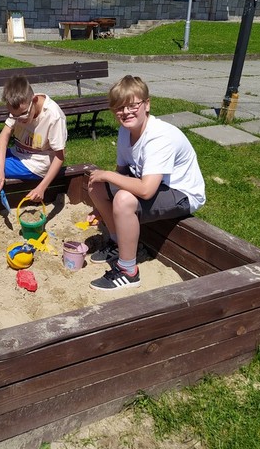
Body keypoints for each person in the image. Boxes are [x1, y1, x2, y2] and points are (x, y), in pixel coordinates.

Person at [87, 75, 205, 291]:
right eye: (119, 108)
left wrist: (108, 176)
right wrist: (100, 205)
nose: (126, 112)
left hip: (181, 193)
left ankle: (128, 271)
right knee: (96, 183)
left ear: (147, 104)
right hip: (155, 185)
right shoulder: (125, 131)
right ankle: (117, 242)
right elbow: (122, 172)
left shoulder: (159, 137)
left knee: (123, 199)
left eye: (133, 105)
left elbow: (146, 190)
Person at [0, 75, 67, 203]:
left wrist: (41, 187)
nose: (19, 119)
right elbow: (4, 136)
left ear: (34, 100)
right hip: (18, 153)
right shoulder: (19, 108)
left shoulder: (53, 116)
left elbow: (60, 156)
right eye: (14, 116)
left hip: (36, 164)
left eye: (23, 114)